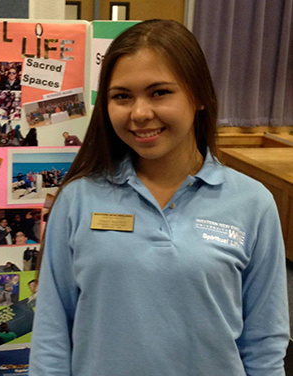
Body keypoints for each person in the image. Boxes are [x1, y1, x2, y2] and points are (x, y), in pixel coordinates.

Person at [30, 20, 289, 376]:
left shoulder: (253, 202)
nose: (139, 113)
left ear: (199, 96)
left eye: (159, 92)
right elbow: (52, 335)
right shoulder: (77, 200)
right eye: (122, 96)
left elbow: (265, 340)